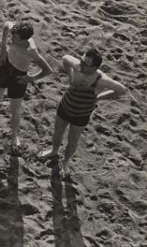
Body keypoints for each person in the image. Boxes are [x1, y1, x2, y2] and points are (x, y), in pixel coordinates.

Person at [38, 48, 127, 177]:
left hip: (81, 115)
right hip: (65, 106)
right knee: (58, 132)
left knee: (72, 141)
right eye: (81, 60)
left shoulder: (101, 80)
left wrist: (99, 97)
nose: (81, 65)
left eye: (85, 64)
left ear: (94, 68)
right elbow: (65, 58)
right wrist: (70, 76)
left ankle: (65, 162)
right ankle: (54, 151)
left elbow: (121, 89)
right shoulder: (77, 66)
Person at [0, 20, 53, 150]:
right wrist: (3, 47)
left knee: (15, 109)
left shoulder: (31, 50)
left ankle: (15, 136)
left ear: (24, 39)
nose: (12, 39)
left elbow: (47, 70)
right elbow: (6, 25)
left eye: (15, 38)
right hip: (6, 66)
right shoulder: (14, 30)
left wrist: (31, 78)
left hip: (19, 76)